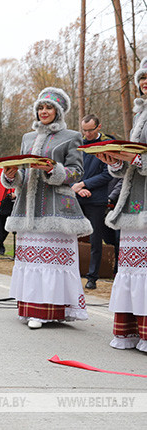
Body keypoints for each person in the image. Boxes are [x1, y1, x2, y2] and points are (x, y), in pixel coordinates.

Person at [2, 87, 91, 330]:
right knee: (31, 262)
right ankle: (31, 309)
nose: (44, 111)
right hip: (27, 209)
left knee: (52, 263)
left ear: (58, 112)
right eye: (40, 107)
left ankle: (53, 311)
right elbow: (23, 173)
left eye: (49, 107)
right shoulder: (28, 138)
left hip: (56, 209)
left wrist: (53, 169)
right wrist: (11, 175)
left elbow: (77, 172)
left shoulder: (71, 136)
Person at [97, 58, 147, 352]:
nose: (145, 83)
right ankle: (134, 332)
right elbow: (132, 164)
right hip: (134, 202)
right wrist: (115, 161)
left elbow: (140, 158)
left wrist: (137, 158)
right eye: (142, 78)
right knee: (133, 268)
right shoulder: (141, 114)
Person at [72, 114, 118, 289]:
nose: (87, 134)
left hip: (96, 199)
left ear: (99, 127)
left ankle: (92, 277)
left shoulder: (108, 144)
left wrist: (85, 184)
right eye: (84, 130)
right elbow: (72, 169)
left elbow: (108, 174)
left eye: (90, 130)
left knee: (95, 238)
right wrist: (77, 187)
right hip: (76, 196)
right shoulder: (78, 145)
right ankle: (72, 272)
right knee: (71, 236)